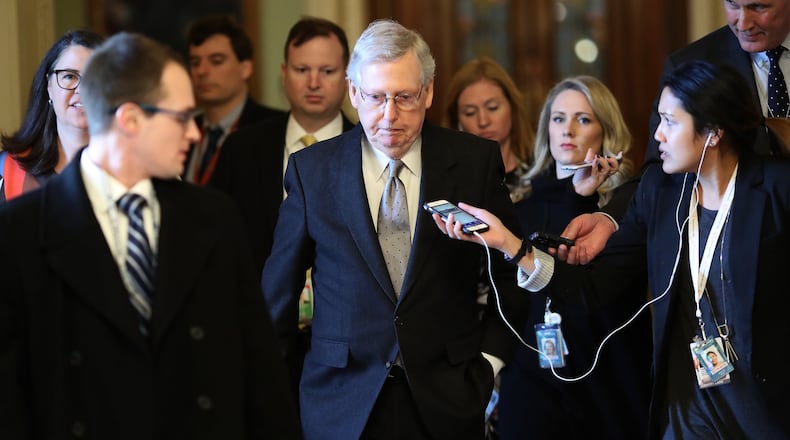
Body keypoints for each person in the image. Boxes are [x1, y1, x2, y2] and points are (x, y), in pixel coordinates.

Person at [433, 61, 790, 438]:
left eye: (670, 121)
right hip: (689, 408)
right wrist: (509, 244)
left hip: (764, 402)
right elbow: (589, 288)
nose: (657, 136)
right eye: (660, 120)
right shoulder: (661, 193)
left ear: (713, 132)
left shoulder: (777, 189)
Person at [0, 32, 299, 438]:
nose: (194, 134)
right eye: (180, 118)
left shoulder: (214, 218)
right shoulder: (19, 232)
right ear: (131, 119)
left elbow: (258, 373)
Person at [261, 19, 528, 439]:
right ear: (353, 92)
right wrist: (284, 388)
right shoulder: (312, 171)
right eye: (375, 97)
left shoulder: (473, 162)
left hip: (448, 398)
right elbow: (278, 295)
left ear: (428, 92)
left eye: (404, 97)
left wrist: (489, 361)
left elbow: (511, 268)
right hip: (339, 402)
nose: (389, 115)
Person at [493, 76, 651, 439]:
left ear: (605, 131)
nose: (568, 129)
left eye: (583, 119)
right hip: (533, 381)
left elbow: (585, 286)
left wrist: (581, 197)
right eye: (558, 118)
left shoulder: (625, 208)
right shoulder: (520, 208)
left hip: (608, 379)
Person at [210, 16, 354, 278]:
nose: (313, 83)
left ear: (348, 77)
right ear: (284, 72)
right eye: (302, 70)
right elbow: (216, 237)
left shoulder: (369, 148)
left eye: (327, 71)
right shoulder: (242, 148)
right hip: (257, 309)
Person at [0, 30, 104, 203]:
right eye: (69, 76)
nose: (81, 90)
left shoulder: (133, 169)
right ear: (49, 86)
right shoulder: (8, 170)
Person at [184, 15, 285, 185]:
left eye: (216, 61)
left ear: (245, 68)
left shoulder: (274, 127)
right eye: (195, 62)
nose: (202, 71)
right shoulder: (186, 129)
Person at [444, 56, 534, 202]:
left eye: (492, 108)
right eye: (470, 113)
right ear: (457, 120)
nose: (483, 121)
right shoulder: (448, 182)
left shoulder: (541, 168)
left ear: (512, 107)